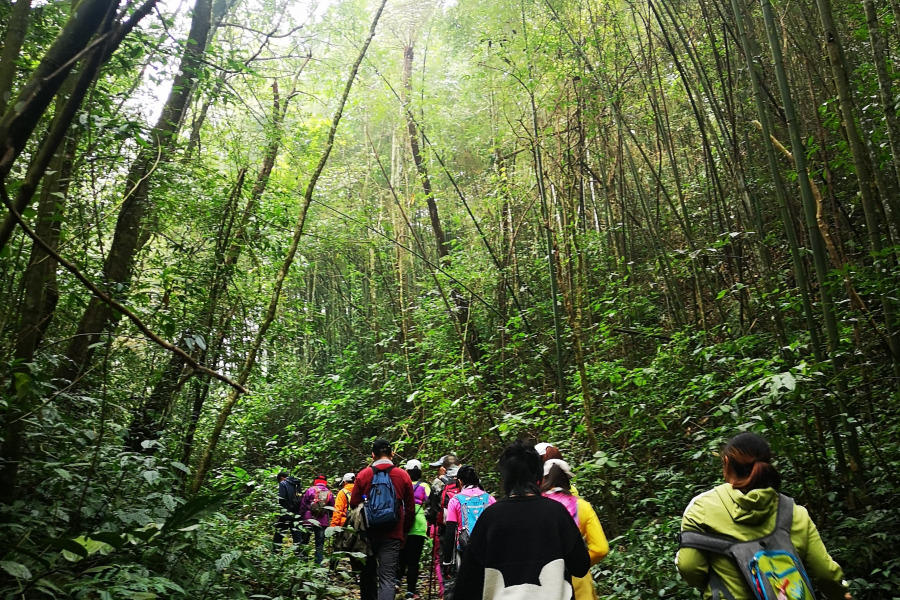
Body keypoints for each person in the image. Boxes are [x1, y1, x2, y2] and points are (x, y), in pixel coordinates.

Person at [676, 432, 851, 600]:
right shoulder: (794, 512)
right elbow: (825, 574)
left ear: (727, 463)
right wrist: (840, 596)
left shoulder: (701, 508)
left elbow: (689, 568)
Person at [453, 440, 590, 600]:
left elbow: (467, 584)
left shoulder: (489, 518)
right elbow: (580, 566)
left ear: (505, 477)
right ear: (539, 476)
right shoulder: (556, 513)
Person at [350, 438, 416, 600]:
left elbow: (353, 504)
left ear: (373, 455)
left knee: (367, 576)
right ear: (392, 454)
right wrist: (404, 533)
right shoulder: (403, 475)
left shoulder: (363, 475)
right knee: (387, 579)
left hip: (368, 534)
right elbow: (410, 509)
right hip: (393, 535)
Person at [541, 459, 608, 600]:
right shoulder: (582, 506)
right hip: (579, 582)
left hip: (545, 582)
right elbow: (600, 549)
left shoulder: (536, 507)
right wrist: (578, 562)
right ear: (567, 479)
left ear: (542, 479)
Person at [441, 464, 495, 599]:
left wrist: (447, 562)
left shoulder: (456, 500)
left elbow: (450, 533)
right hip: (488, 550)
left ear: (459, 482)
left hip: (466, 551)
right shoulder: (489, 498)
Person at [397, 460, 430, 599]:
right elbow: (430, 504)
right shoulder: (425, 486)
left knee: (401, 556)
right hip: (419, 525)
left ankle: (396, 582)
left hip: (402, 523)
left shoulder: (403, 485)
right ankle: (410, 591)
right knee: (414, 561)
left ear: (407, 471)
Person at [297, 474, 334, 565]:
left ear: (315, 481)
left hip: (308, 520)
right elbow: (332, 508)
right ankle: (318, 565)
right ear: (326, 482)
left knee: (304, 542)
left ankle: (303, 563)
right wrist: (329, 518)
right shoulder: (329, 493)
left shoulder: (310, 490)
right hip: (322, 521)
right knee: (319, 545)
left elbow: (303, 505)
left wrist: (300, 516)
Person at [274, 471, 303, 554]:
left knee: (279, 533)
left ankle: (275, 552)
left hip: (286, 513)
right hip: (296, 513)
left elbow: (281, 499)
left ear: (282, 478)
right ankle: (299, 555)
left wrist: (283, 509)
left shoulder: (283, 483)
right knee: (297, 535)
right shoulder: (297, 483)